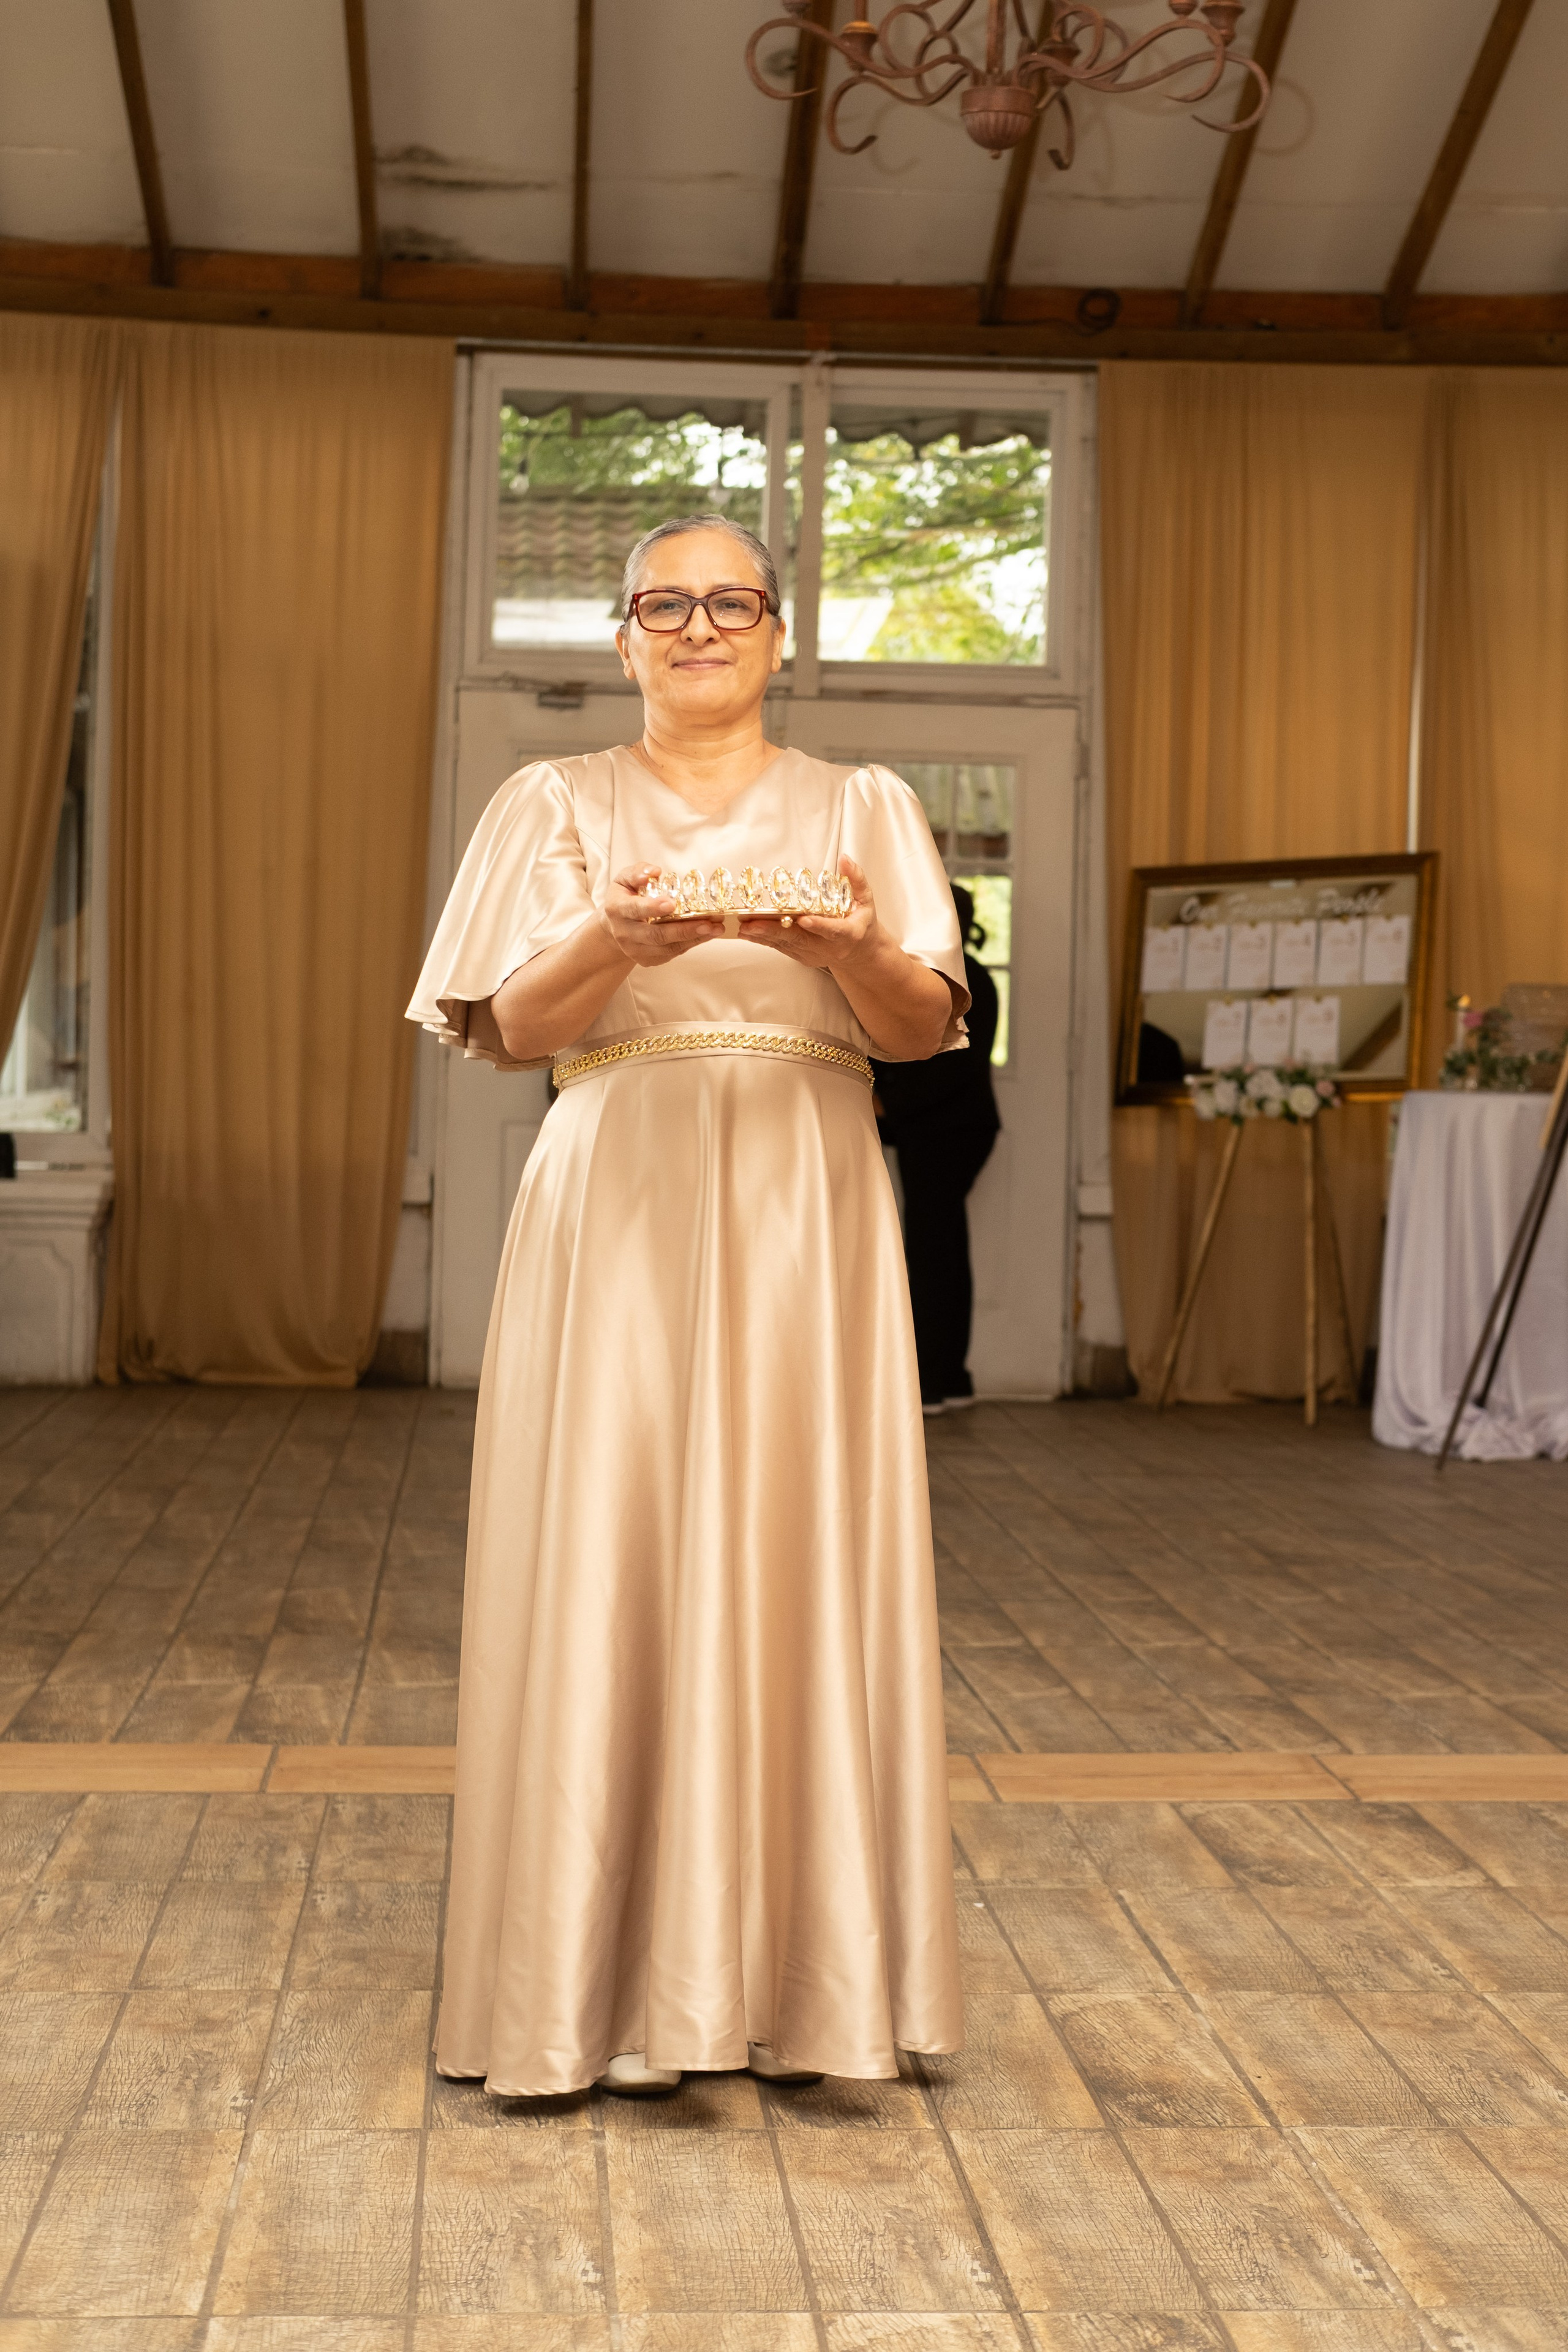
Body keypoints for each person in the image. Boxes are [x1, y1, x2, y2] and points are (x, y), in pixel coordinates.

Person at [407, 513, 966, 2098]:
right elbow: (509, 1030)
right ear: (623, 632)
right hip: (622, 1189)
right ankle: (581, 1991)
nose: (701, 627)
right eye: (669, 603)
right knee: (606, 1544)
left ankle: (810, 1984)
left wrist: (858, 946)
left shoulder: (867, 805)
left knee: (806, 1545)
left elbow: (923, 1032)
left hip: (808, 1198)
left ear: (781, 634)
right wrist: (614, 934)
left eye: (733, 604)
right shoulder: (553, 801)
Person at [873, 884, 1000, 1414]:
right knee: (943, 1246)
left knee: (931, 1250)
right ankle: (951, 1375)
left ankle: (930, 1382)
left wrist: (884, 1104)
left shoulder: (961, 977)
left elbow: (946, 1064)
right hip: (944, 1127)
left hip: (948, 1129)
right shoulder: (967, 973)